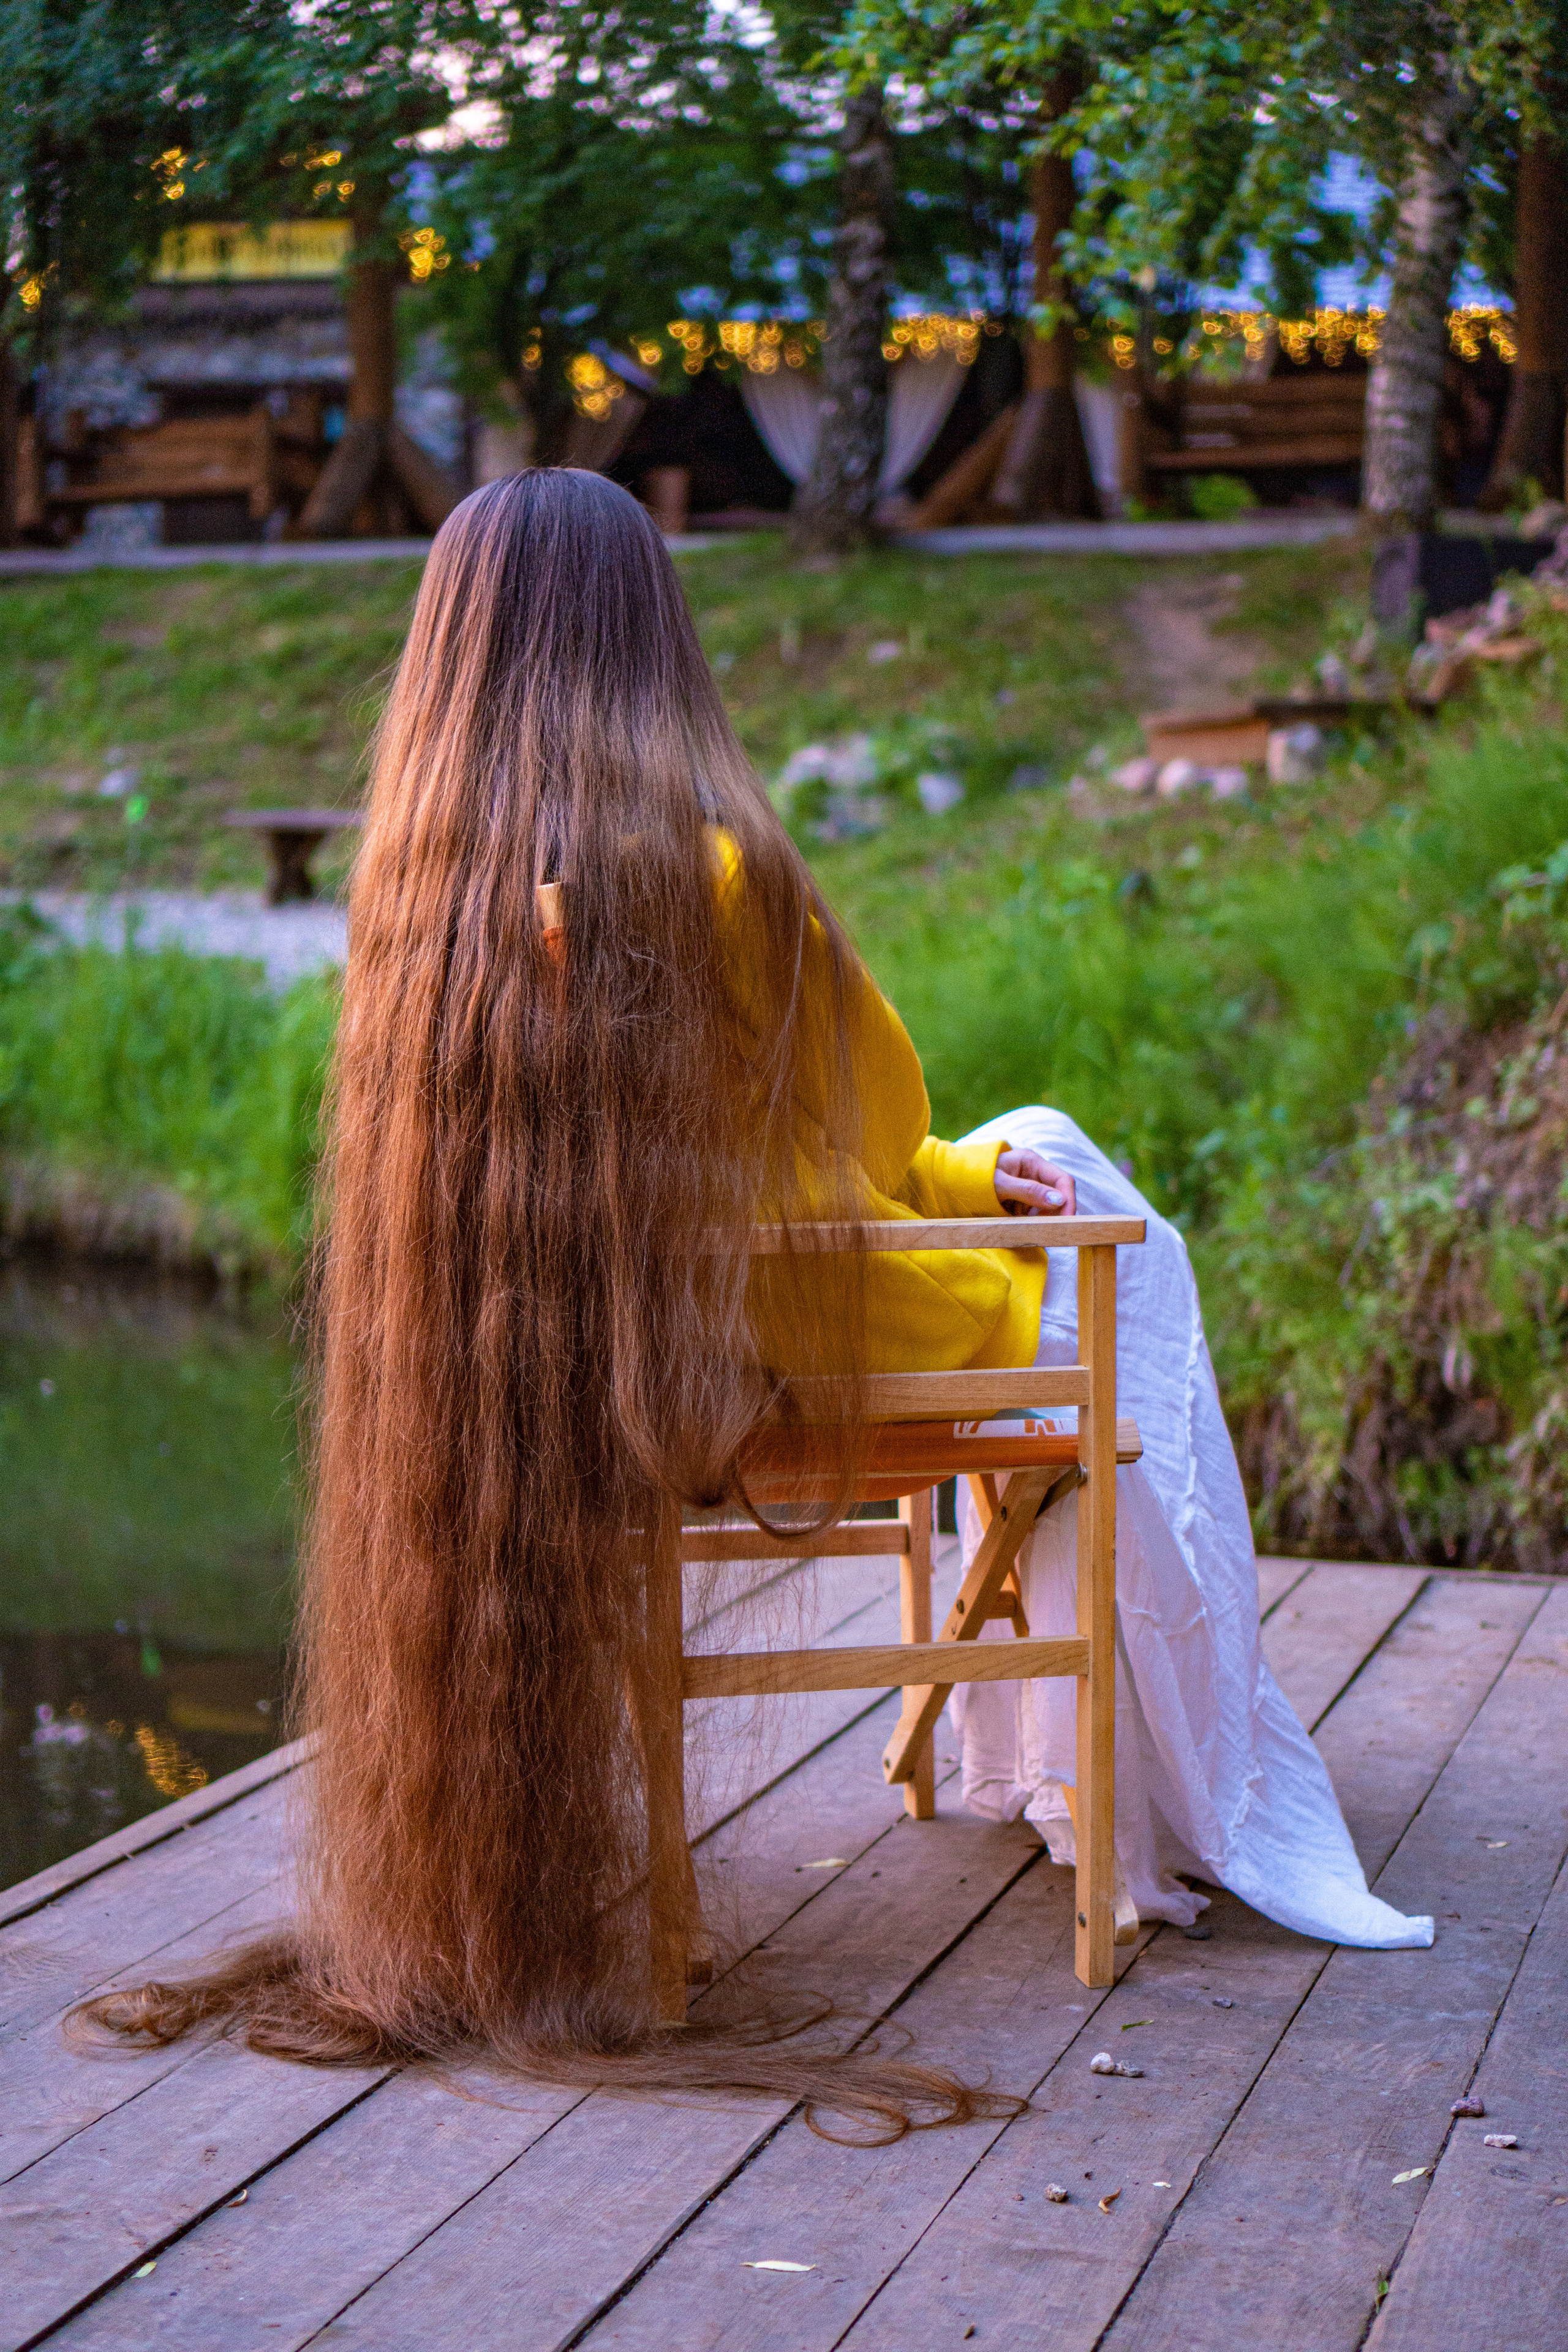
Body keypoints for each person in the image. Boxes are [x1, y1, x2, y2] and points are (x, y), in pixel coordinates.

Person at [77, 472, 1424, 2143]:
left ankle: (1072, 1765)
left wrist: (933, 1183)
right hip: (799, 1346)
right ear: (650, 638)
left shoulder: (428, 905)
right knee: (1112, 1230)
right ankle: (1172, 1783)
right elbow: (861, 1145)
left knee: (1039, 1177)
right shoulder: (721, 870)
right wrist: (962, 1187)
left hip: (607, 1380)